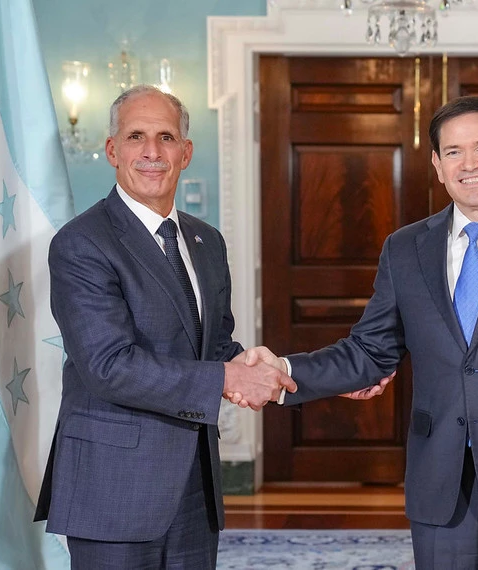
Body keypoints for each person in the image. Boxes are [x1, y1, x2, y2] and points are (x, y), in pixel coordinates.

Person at [245, 95, 478, 569]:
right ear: (437, 165)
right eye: (453, 152)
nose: (469, 164)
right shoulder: (405, 249)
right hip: (439, 482)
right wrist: (282, 370)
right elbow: (369, 352)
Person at [34, 85, 297, 569]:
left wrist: (267, 368)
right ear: (113, 150)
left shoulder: (206, 241)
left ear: (186, 152)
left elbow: (214, 347)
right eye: (136, 136)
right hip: (113, 488)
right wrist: (228, 377)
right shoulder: (81, 243)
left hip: (195, 486)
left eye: (166, 137)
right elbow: (109, 366)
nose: (152, 152)